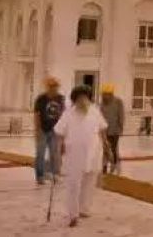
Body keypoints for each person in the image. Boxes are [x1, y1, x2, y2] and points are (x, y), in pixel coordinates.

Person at [54, 85, 108, 228]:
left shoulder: (95, 111)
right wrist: (58, 152)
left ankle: (84, 208)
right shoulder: (68, 114)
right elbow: (59, 133)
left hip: (94, 153)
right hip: (74, 155)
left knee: (89, 183)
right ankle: (73, 214)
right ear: (75, 99)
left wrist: (107, 147)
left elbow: (102, 129)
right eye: (80, 98)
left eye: (85, 97)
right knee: (73, 184)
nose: (83, 101)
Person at [33, 77, 65, 185]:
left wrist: (63, 131)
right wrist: (37, 130)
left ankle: (55, 174)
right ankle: (40, 176)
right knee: (40, 154)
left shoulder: (61, 99)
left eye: (55, 86)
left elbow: (63, 115)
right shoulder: (41, 99)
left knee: (55, 154)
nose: (53, 88)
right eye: (51, 86)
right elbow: (37, 115)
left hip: (55, 131)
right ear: (47, 87)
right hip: (43, 130)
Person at [99, 84, 124, 175]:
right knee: (105, 149)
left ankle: (114, 166)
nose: (105, 96)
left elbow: (121, 115)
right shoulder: (102, 104)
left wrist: (121, 127)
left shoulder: (118, 102)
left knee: (113, 149)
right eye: (103, 94)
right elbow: (100, 116)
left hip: (114, 130)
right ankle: (104, 167)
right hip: (104, 131)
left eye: (106, 94)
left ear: (111, 94)